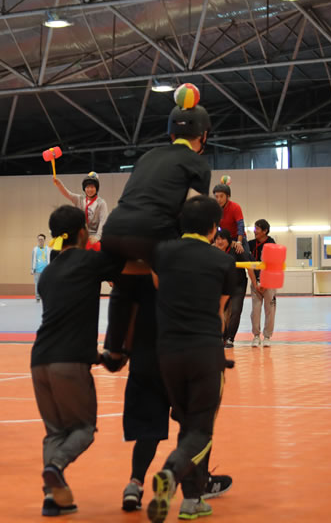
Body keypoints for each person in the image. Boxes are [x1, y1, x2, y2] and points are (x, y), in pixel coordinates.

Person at [30, 205, 145, 515]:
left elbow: (63, 323)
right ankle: (55, 464)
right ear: (83, 232)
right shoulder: (90, 262)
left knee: (55, 431)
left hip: (39, 360)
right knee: (83, 429)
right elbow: (135, 270)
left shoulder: (49, 274)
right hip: (69, 362)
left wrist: (98, 356)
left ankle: (52, 498)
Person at [146, 196, 237, 523]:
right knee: (201, 427)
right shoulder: (223, 262)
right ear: (214, 228)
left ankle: (192, 501)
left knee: (188, 424)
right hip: (204, 351)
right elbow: (219, 313)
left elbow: (160, 291)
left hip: (168, 352)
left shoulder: (161, 254)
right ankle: (171, 472)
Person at [101, 103, 212, 354]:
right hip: (153, 233)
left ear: (171, 133)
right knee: (177, 279)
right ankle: (178, 342)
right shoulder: (198, 163)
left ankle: (114, 348)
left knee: (124, 282)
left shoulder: (148, 156)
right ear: (204, 135)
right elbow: (193, 213)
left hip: (114, 230)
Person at [212, 228, 250, 348]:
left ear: (229, 240)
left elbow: (249, 265)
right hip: (221, 285)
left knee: (235, 311)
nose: (220, 241)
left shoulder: (236, 249)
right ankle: (222, 337)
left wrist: (255, 282)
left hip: (238, 285)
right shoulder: (212, 251)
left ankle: (230, 338)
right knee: (220, 312)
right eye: (217, 239)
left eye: (222, 239)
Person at [52, 172, 109, 245]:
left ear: (96, 188)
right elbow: (68, 194)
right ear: (84, 188)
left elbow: (103, 221)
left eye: (92, 187)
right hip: (81, 235)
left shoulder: (101, 203)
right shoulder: (79, 199)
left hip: (95, 236)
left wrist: (97, 237)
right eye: (87, 187)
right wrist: (59, 184)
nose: (90, 189)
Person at [247, 219, 277, 347]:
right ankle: (255, 336)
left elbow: (273, 266)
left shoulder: (272, 244)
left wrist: (265, 282)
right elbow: (249, 265)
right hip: (255, 282)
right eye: (254, 228)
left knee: (270, 309)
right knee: (255, 310)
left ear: (265, 231)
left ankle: (267, 336)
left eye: (258, 229)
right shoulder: (249, 244)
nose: (255, 231)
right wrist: (255, 283)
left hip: (269, 282)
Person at [31, 234, 50, 302]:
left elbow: (49, 259)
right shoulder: (35, 249)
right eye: (39, 239)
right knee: (37, 284)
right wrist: (32, 269)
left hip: (46, 270)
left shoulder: (48, 249)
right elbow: (33, 259)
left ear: (44, 240)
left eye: (41, 239)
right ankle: (37, 297)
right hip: (37, 270)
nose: (40, 241)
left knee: (46, 284)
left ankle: (45, 297)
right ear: (37, 240)